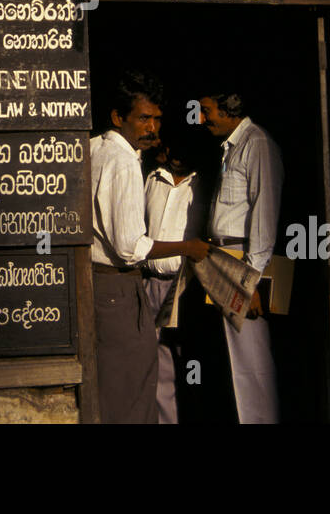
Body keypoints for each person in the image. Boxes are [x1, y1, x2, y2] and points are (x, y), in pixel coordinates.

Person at [91, 70, 209, 423]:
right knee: (133, 384)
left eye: (156, 119)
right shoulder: (124, 160)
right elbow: (129, 246)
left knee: (116, 382)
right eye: (143, 118)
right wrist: (187, 246)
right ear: (118, 117)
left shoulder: (95, 146)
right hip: (118, 286)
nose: (152, 128)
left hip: (102, 286)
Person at [198, 89, 283, 423]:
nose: (202, 119)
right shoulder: (231, 147)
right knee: (232, 357)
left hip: (244, 259)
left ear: (229, 109)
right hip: (222, 257)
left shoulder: (256, 143)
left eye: (207, 111)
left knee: (252, 361)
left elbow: (265, 213)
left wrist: (252, 280)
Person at [142, 122, 211, 423]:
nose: (176, 154)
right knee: (157, 364)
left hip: (187, 286)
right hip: (149, 285)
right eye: (172, 146)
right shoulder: (152, 179)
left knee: (192, 361)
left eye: (185, 147)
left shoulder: (205, 185)